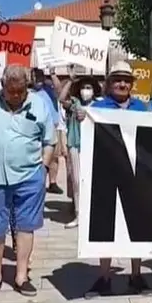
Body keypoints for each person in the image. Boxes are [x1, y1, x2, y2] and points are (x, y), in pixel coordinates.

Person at [0, 65, 57, 296]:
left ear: (27, 87)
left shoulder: (39, 102)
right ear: (3, 85)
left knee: (26, 226)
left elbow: (50, 139)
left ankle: (21, 275)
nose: (16, 95)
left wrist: (44, 167)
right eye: (11, 91)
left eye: (20, 91)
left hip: (30, 175)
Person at [83, 61, 152, 298]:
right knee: (104, 224)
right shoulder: (97, 107)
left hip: (136, 174)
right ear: (109, 83)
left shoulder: (144, 108)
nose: (122, 84)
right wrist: (81, 116)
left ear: (132, 84)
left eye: (126, 80)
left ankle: (136, 275)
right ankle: (104, 276)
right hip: (105, 173)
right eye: (117, 80)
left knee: (138, 225)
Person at [59, 73, 102, 229]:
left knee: (93, 182)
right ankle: (78, 214)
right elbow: (62, 99)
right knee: (77, 181)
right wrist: (70, 81)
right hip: (75, 145)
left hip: (94, 146)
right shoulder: (74, 103)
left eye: (89, 87)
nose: (86, 90)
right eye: (83, 87)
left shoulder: (100, 106)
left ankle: (92, 213)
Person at [31, 68, 63, 195]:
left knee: (54, 156)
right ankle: (38, 181)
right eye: (33, 77)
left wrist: (53, 74)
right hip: (36, 128)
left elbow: (60, 90)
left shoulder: (50, 90)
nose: (36, 79)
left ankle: (53, 182)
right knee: (37, 156)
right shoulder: (29, 93)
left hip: (52, 126)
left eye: (38, 76)